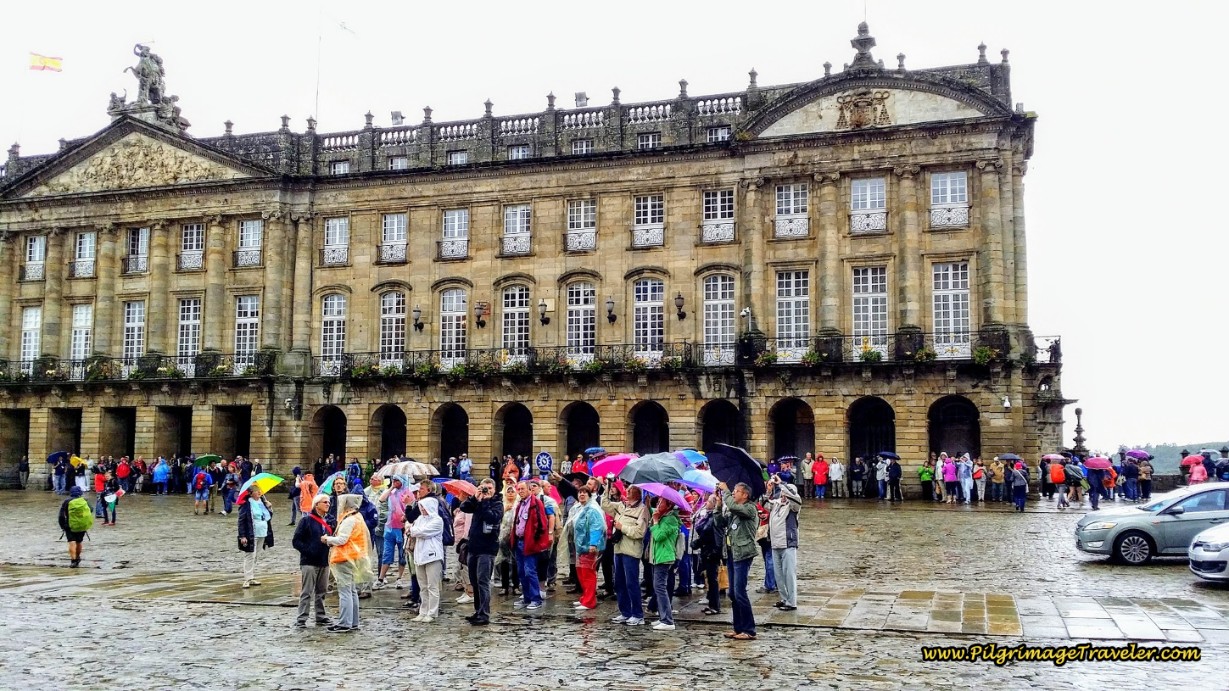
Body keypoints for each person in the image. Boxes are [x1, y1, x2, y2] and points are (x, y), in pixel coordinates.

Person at [324, 493, 373, 632]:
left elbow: (342, 539)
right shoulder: (358, 517)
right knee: (352, 592)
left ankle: (344, 622)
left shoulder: (349, 519)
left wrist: (327, 539)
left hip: (344, 558)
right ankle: (353, 622)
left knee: (345, 592)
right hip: (354, 558)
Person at [459, 478, 503, 625]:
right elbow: (464, 507)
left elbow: (492, 518)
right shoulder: (478, 501)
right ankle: (478, 610)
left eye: (489, 488)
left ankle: (484, 614)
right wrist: (474, 497)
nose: (487, 491)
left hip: (487, 548)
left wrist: (485, 501)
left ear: (494, 489)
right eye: (484, 488)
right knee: (474, 581)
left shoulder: (497, 503)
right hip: (473, 547)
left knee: (483, 581)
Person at [718, 481, 757, 641]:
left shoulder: (749, 508)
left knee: (740, 592)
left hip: (743, 553)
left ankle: (749, 629)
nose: (734, 493)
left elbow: (733, 506)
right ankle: (738, 627)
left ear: (745, 495)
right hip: (732, 553)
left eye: (736, 491)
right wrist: (717, 507)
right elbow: (720, 523)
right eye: (733, 491)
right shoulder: (734, 511)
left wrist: (725, 491)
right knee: (733, 593)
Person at [607, 483, 648, 625]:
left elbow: (639, 532)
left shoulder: (642, 509)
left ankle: (638, 614)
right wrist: (607, 486)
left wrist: (622, 527)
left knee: (631, 583)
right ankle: (625, 612)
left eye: (630, 491)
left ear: (637, 494)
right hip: (618, 548)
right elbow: (605, 504)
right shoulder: (621, 506)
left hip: (631, 550)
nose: (627, 492)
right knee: (619, 583)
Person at [291, 493, 333, 628]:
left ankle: (321, 616)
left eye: (329, 502)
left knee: (322, 591)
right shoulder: (306, 521)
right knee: (307, 591)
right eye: (325, 502)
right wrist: (309, 551)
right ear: (317, 505)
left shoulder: (328, 521)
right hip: (309, 562)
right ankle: (301, 618)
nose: (328, 504)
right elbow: (296, 541)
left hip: (324, 561)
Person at [409, 496, 445, 623]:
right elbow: (413, 529)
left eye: (424, 507)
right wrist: (413, 530)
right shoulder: (420, 519)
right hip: (420, 556)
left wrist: (413, 530)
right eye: (421, 507)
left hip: (433, 556)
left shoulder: (437, 520)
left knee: (432, 586)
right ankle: (423, 611)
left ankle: (432, 612)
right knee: (423, 586)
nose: (423, 509)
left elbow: (422, 532)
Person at [767, 475, 800, 611]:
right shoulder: (777, 504)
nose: (783, 495)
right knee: (779, 575)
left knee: (789, 574)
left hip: (788, 543)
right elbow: (764, 503)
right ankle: (784, 598)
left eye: (786, 493)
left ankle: (792, 602)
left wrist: (781, 484)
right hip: (775, 543)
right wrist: (769, 491)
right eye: (782, 493)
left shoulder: (794, 506)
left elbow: (795, 498)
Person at [570, 484, 605, 612]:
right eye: (580, 492)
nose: (582, 494)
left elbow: (596, 527)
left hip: (589, 546)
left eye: (585, 492)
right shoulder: (582, 508)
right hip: (581, 546)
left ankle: (589, 601)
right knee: (581, 573)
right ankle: (585, 597)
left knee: (588, 574)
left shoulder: (592, 510)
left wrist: (593, 544)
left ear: (590, 495)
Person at [648, 496, 681, 631]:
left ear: (668, 506)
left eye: (661, 502)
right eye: (658, 501)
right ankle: (663, 617)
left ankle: (667, 620)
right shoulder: (662, 516)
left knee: (660, 587)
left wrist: (655, 522)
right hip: (658, 556)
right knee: (658, 587)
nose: (658, 504)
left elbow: (659, 536)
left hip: (664, 557)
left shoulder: (670, 519)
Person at [691, 492, 726, 615]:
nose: (706, 503)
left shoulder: (715, 518)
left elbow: (715, 535)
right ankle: (711, 603)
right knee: (709, 579)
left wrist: (714, 551)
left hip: (711, 551)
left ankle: (715, 606)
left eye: (710, 502)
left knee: (713, 579)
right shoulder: (708, 515)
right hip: (706, 550)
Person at [374, 476, 410, 590]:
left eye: (397, 480)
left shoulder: (408, 492)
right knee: (387, 554)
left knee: (402, 555)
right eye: (393, 480)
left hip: (402, 528)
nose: (395, 482)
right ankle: (381, 578)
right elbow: (381, 499)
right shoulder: (391, 492)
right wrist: (391, 488)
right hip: (390, 527)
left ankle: (399, 578)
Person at [237, 485, 274, 588]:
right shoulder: (246, 504)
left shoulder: (262, 502)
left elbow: (268, 517)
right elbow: (241, 521)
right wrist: (242, 536)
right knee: (250, 555)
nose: (259, 492)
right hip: (251, 533)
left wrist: (269, 507)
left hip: (262, 532)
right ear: (251, 493)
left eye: (259, 490)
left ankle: (252, 576)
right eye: (256, 491)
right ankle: (247, 578)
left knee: (256, 555)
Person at [59, 486, 93, 568]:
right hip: (82, 525)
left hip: (70, 525)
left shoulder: (67, 501)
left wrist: (62, 525)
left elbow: (61, 515)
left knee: (72, 542)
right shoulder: (84, 501)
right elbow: (91, 509)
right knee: (79, 542)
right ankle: (77, 558)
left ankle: (73, 561)